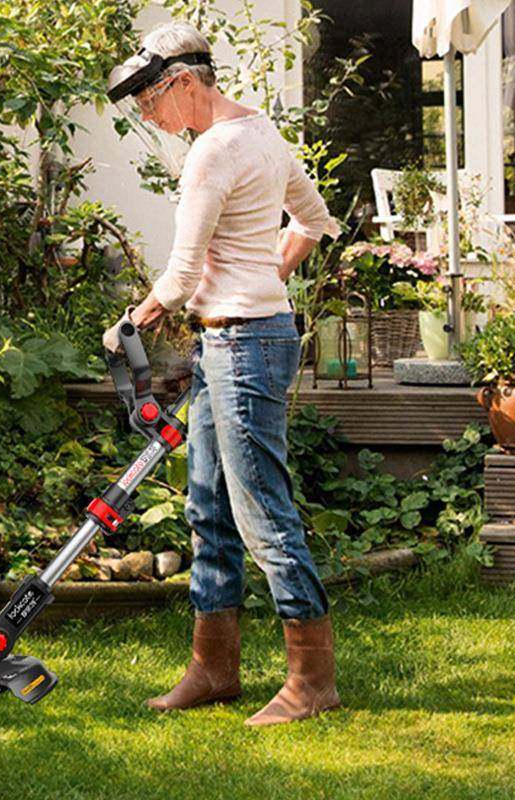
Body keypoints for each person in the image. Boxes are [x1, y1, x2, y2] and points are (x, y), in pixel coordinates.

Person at [103, 21, 341, 726]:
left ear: (182, 81)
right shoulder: (260, 132)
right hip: (239, 341)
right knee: (207, 505)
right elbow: (314, 220)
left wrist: (131, 322)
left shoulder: (211, 151)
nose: (150, 119)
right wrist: (263, 279)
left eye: (150, 102)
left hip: (243, 348)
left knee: (261, 512)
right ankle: (214, 668)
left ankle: (312, 681)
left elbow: (178, 277)